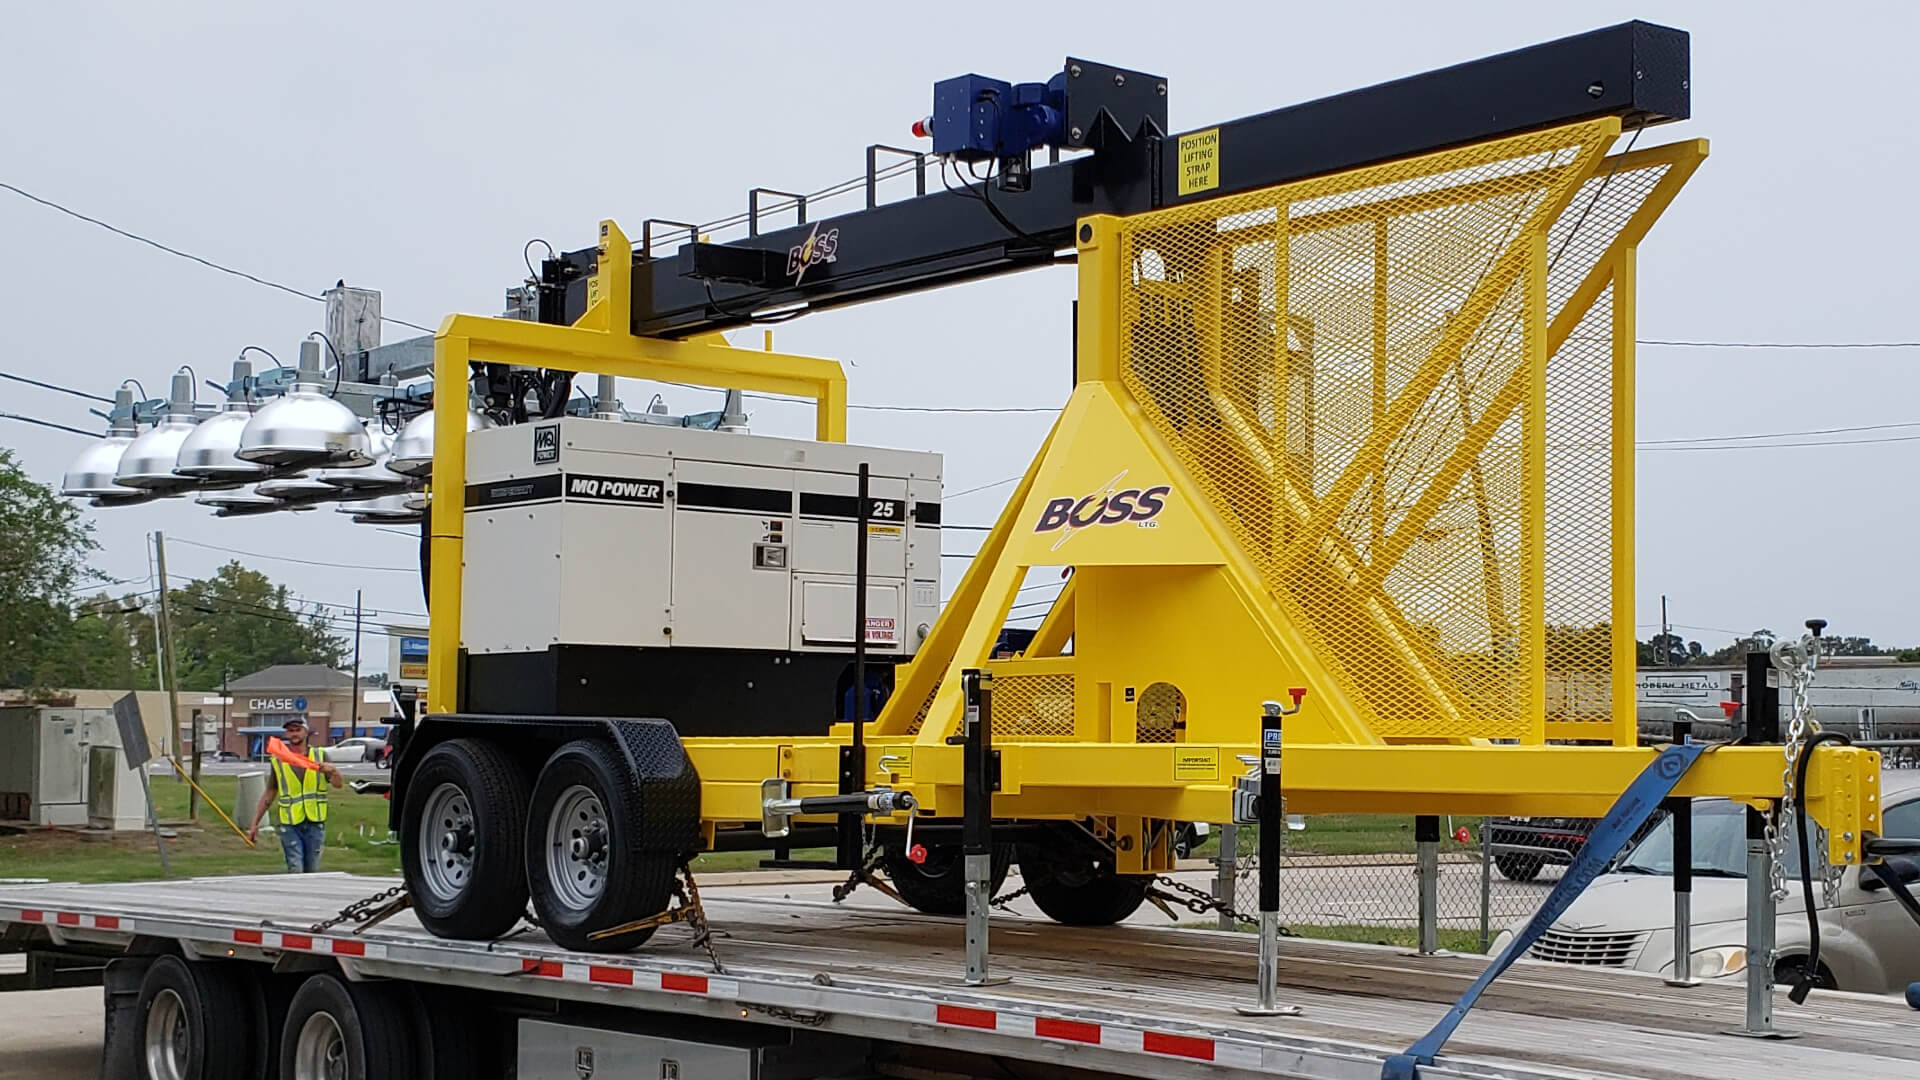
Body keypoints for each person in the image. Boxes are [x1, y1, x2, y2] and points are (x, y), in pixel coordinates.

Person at [246, 718, 343, 872]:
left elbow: (338, 785)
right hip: (290, 823)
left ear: (306, 732)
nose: (294, 734)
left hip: (314, 822)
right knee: (295, 867)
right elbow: (270, 791)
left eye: (297, 730)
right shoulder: (279, 760)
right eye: (290, 731)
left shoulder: (319, 755)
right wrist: (255, 823)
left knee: (312, 869)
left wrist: (334, 771)